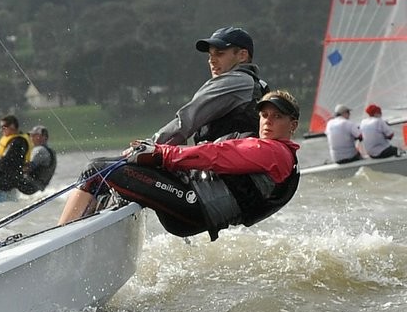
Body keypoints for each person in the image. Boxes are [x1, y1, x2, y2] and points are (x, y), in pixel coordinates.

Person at [57, 90, 301, 241]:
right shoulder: (281, 157)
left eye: (277, 117)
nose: (268, 122)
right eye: (264, 115)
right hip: (192, 204)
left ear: (293, 126)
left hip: (192, 206)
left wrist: (160, 153)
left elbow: (215, 154)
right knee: (111, 172)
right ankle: (82, 234)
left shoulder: (273, 152)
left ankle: (59, 243)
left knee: (97, 171)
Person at [153, 26, 269, 146]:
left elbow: (188, 118)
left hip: (224, 161)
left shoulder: (236, 80)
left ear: (242, 55)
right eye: (210, 55)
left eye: (219, 53)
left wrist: (152, 145)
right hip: (242, 158)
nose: (211, 61)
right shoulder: (258, 84)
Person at [17, 125, 57, 195]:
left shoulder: (39, 150)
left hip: (30, 187)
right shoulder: (51, 151)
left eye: (34, 135)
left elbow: (27, 168)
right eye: (31, 135)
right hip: (39, 188)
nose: (31, 137)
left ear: (43, 137)